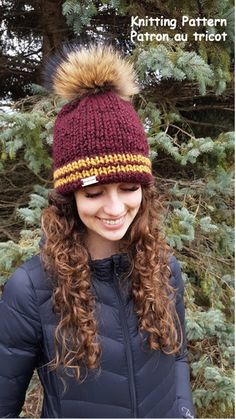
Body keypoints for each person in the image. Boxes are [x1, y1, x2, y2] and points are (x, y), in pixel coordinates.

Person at [0, 43, 195, 418]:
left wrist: (183, 411)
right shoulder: (31, 289)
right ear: (70, 196)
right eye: (94, 192)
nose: (115, 208)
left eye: (128, 188)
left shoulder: (163, 267)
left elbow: (178, 357)